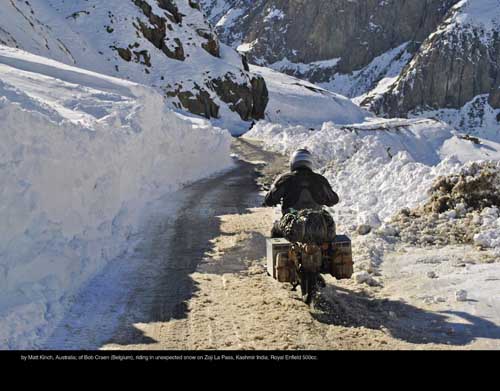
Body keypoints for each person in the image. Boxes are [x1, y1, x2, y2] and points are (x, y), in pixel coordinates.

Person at [263, 148, 339, 237]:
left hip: (292, 227)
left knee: (276, 229)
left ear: (293, 163)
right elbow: (334, 200)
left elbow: (269, 200)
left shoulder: (285, 179)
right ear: (310, 163)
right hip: (317, 227)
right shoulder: (320, 179)